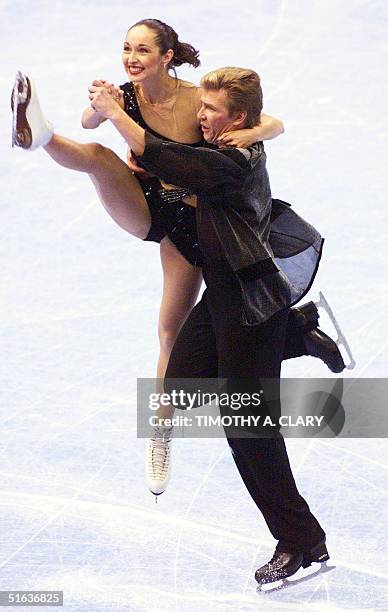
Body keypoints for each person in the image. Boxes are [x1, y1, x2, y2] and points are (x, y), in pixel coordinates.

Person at [11, 21, 345, 500]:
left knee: (174, 333)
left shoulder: (197, 103)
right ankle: (38, 137)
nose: (131, 56)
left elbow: (269, 123)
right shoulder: (125, 96)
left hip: (204, 230)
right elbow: (89, 122)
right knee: (100, 159)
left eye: (143, 49)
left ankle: (168, 427)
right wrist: (105, 104)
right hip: (154, 208)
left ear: (168, 56)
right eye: (126, 48)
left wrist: (260, 127)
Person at [77, 64, 333, 585]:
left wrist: (116, 114)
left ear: (237, 117)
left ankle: (301, 542)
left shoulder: (232, 161)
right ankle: (298, 332)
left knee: (248, 431)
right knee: (180, 382)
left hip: (250, 307)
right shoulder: (227, 146)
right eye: (202, 107)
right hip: (226, 296)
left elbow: (169, 155)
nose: (201, 115)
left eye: (211, 110)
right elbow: (184, 163)